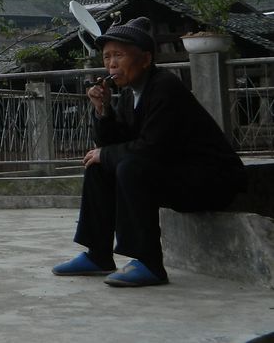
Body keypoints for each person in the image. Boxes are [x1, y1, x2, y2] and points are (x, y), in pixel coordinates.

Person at [52, 16, 246, 287]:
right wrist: (103, 110)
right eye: (107, 57)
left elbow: (151, 148)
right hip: (175, 173)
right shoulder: (131, 93)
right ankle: (98, 255)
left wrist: (106, 154)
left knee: (130, 166)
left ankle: (149, 264)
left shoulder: (165, 87)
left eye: (119, 55)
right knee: (99, 165)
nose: (111, 64)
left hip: (212, 180)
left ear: (145, 60)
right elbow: (116, 143)